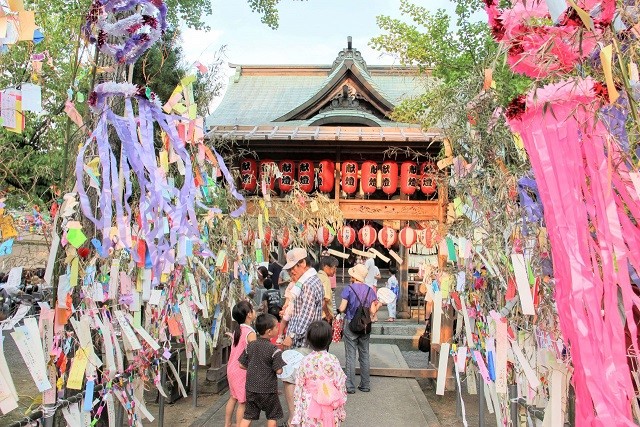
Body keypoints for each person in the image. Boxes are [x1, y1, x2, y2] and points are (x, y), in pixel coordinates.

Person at [280, 247, 324, 427]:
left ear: (303, 263)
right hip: (310, 340)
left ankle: (294, 420)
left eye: (294, 268)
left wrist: (290, 334)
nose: (292, 272)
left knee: (290, 378)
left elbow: (304, 317)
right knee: (305, 382)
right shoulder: (313, 281)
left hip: (302, 341)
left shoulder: (306, 285)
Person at [292, 321, 347, 427]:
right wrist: (341, 410)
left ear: (308, 340)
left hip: (309, 404)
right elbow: (340, 384)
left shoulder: (305, 361)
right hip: (330, 403)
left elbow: (298, 387)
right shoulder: (332, 359)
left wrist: (297, 414)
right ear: (329, 339)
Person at [338, 264, 381, 394]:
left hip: (351, 324)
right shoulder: (370, 290)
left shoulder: (349, 289)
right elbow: (373, 311)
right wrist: (379, 305)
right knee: (364, 354)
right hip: (366, 325)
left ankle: (350, 386)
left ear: (353, 276)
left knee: (350, 356)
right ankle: (365, 384)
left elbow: (342, 308)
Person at [239, 313, 286, 427]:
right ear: (269, 332)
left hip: (251, 388)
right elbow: (278, 371)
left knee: (247, 416)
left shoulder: (250, 345)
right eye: (276, 327)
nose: (278, 328)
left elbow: (241, 365)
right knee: (272, 416)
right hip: (268, 390)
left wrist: (253, 368)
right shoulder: (274, 349)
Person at [225, 301, 256, 427]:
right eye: (252, 310)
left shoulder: (237, 330)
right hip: (241, 370)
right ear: (249, 314)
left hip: (231, 368)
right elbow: (253, 354)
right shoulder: (250, 332)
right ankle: (239, 424)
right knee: (242, 401)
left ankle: (227, 424)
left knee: (233, 397)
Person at [316, 256, 338, 323]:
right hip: (324, 316)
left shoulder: (316, 276)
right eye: (334, 268)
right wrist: (328, 315)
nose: (335, 271)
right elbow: (325, 300)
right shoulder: (325, 279)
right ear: (326, 267)